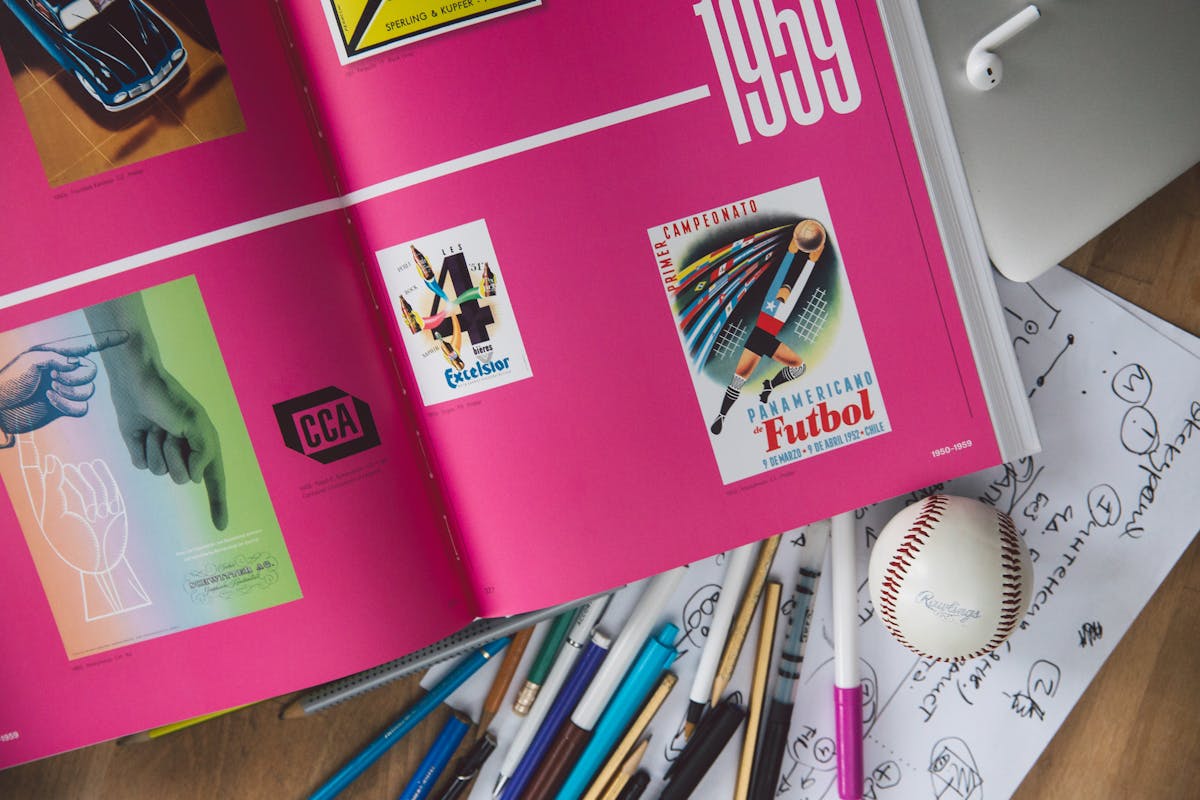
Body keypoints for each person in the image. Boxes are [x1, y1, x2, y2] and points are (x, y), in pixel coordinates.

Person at [710, 219, 826, 435]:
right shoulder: (771, 301)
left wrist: (812, 261)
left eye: (787, 291)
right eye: (783, 289)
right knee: (738, 380)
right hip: (758, 338)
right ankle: (722, 415)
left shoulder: (789, 302)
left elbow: (799, 283)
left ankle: (769, 386)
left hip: (769, 340)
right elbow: (783, 273)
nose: (785, 292)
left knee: (799, 367)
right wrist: (792, 250)